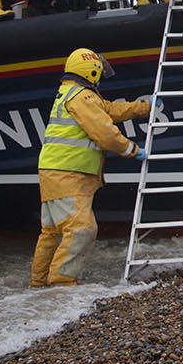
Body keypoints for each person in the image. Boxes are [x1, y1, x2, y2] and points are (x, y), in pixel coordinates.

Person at [30, 48, 153, 286]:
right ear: (91, 70)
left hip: (55, 172)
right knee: (81, 229)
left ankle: (38, 283)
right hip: (69, 173)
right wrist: (132, 150)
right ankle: (61, 285)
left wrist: (142, 108)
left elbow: (108, 110)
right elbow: (104, 132)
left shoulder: (73, 94)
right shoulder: (82, 97)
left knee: (52, 233)